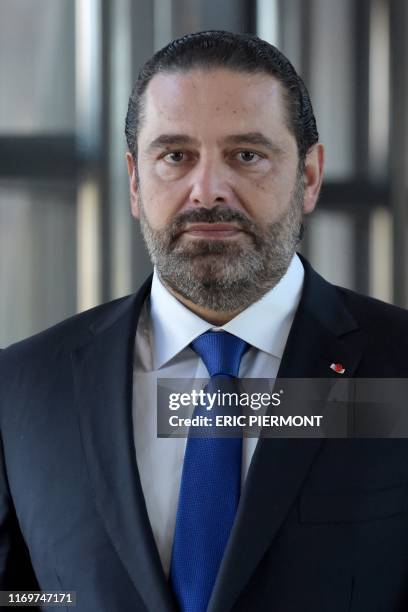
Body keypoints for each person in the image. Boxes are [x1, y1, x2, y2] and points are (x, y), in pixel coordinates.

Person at [1, 30, 408, 612]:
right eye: (175, 156)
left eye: (247, 155)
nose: (208, 190)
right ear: (136, 181)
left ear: (309, 176)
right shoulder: (20, 387)